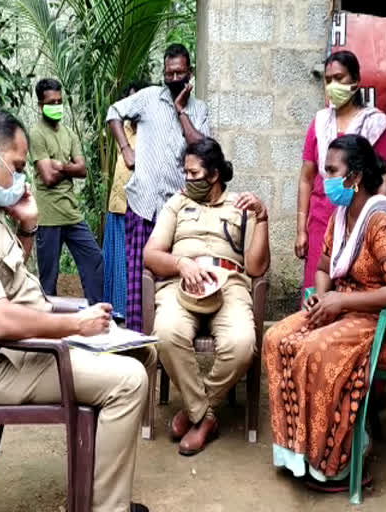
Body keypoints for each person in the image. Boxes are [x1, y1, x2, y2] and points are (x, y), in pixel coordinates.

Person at [0, 108, 155, 512]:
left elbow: (12, 280)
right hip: (8, 363)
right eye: (16, 166)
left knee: (143, 352)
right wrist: (73, 325)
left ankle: (95, 488)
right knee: (131, 380)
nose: (20, 178)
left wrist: (28, 226)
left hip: (31, 347)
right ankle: (105, 508)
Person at [265, 134, 386, 492]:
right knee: (276, 338)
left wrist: (340, 303)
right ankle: (298, 454)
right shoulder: (339, 218)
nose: (325, 180)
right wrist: (322, 301)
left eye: (332, 171)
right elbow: (323, 267)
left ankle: (338, 463)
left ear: (354, 176)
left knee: (315, 350)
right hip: (346, 310)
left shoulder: (381, 221)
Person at [144, 137, 270, 455]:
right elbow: (151, 254)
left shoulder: (242, 207)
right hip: (181, 281)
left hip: (229, 284)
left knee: (242, 344)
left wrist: (263, 218)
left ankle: (195, 411)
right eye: (184, 173)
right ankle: (206, 416)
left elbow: (256, 267)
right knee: (166, 334)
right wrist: (181, 263)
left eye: (194, 174)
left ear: (214, 175)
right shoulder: (177, 203)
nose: (187, 180)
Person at [107, 43, 210, 332]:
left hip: (179, 210)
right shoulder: (149, 97)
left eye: (179, 72)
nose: (174, 78)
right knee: (140, 278)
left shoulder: (199, 109)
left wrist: (181, 112)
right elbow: (114, 112)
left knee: (175, 274)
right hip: (143, 205)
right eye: (169, 73)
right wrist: (126, 148)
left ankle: (168, 339)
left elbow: (201, 147)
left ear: (190, 73)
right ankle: (140, 344)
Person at [295, 50, 386, 299]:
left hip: (360, 220)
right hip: (320, 220)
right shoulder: (320, 123)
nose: (332, 86)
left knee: (351, 289)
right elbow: (306, 177)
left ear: (356, 80)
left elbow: (383, 183)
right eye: (328, 79)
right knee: (316, 291)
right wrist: (301, 228)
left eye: (339, 78)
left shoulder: (376, 124)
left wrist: (371, 223)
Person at [30, 78, 104, 304]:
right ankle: (47, 326)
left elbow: (83, 171)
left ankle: (98, 312)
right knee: (49, 277)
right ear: (40, 105)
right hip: (48, 215)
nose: (56, 106)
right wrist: (69, 167)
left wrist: (60, 165)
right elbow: (48, 177)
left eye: (59, 101)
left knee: (94, 259)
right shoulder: (36, 134)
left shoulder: (69, 133)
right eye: (51, 102)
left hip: (70, 211)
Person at [102, 81, 148, 320]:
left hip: (138, 206)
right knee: (116, 259)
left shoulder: (150, 130)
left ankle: (130, 312)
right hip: (117, 203)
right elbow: (113, 112)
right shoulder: (124, 128)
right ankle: (116, 310)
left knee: (131, 262)